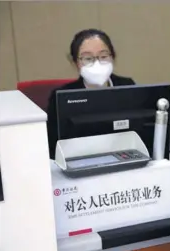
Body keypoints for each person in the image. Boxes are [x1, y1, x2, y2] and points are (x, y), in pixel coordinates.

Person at [47, 29, 135, 159]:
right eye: (88, 58)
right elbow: (52, 147)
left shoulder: (128, 86)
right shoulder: (61, 96)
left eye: (103, 56)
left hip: (123, 159)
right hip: (80, 163)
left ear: (113, 57)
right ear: (76, 63)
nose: (97, 64)